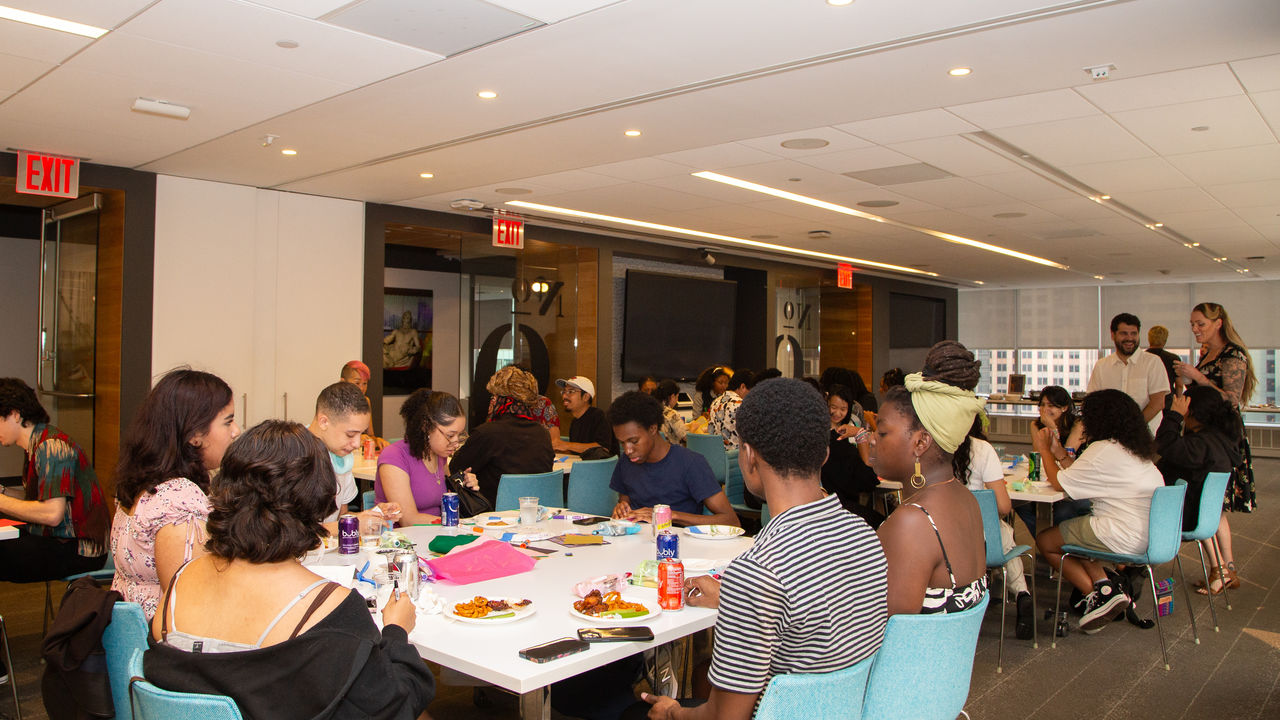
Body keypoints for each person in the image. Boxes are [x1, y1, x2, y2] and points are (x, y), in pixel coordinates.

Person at [144, 421, 434, 720]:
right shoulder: (328, 606)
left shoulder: (180, 579)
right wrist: (396, 632)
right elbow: (393, 705)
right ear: (317, 501)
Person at [639, 378, 887, 720]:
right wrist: (734, 598)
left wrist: (672, 713)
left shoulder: (758, 570)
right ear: (825, 453)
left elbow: (725, 717)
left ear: (750, 456)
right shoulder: (865, 535)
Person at [871, 341, 988, 616]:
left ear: (921, 442)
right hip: (948, 659)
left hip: (907, 659)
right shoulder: (966, 499)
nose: (872, 440)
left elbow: (883, 634)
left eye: (882, 432)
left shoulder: (912, 523)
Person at [111, 369, 236, 620]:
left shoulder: (141, 483)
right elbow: (190, 603)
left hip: (132, 640)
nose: (236, 431)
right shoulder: (180, 500)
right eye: (228, 421)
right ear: (194, 435)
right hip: (162, 644)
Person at [1034, 390, 1163, 633]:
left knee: (1047, 540)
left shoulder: (1103, 449)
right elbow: (1079, 475)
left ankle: (1100, 594)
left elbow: (1061, 482)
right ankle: (1103, 585)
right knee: (1074, 528)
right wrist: (1059, 452)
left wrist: (1043, 450)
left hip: (1122, 534)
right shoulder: (1135, 450)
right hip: (1151, 534)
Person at [1174, 301, 1258, 594]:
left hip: (1218, 439)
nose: (1195, 329)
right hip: (1205, 435)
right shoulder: (1210, 352)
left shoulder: (1233, 355)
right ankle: (1223, 569)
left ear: (1218, 323)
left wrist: (1197, 378)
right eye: (1193, 325)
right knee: (1213, 505)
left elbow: (1231, 399)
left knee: (1206, 503)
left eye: (1201, 324)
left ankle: (1222, 569)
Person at [0, 378, 110, 583]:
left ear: (14, 415)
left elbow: (51, 514)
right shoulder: (36, 443)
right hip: (58, 538)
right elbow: (40, 499)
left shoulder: (51, 447)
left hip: (79, 549)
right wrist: (3, 493)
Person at [607, 391, 738, 528]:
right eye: (622, 443)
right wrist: (622, 508)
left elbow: (731, 521)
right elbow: (625, 500)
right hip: (636, 540)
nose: (627, 450)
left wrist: (670, 515)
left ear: (653, 429)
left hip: (678, 543)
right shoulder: (626, 461)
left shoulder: (690, 463)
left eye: (633, 441)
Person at [957, 415, 1033, 639]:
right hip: (985, 544)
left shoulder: (928, 445)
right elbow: (1003, 506)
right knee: (1003, 533)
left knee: (1004, 533)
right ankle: (1021, 593)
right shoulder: (982, 449)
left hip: (942, 540)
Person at [308, 382, 401, 533]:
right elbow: (292, 534)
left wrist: (372, 515)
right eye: (350, 434)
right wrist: (355, 523)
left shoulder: (340, 458)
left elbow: (340, 517)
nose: (357, 444)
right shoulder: (293, 456)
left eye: (361, 434)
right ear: (324, 421)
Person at [450, 369, 554, 506]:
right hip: (537, 512)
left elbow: (455, 468)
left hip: (494, 514)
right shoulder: (543, 433)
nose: (490, 403)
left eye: (493, 397)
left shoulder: (488, 433)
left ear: (501, 401)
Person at [377, 389, 478, 524]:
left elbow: (447, 502)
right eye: (450, 435)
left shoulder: (440, 456)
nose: (455, 443)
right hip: (404, 539)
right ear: (426, 426)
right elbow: (408, 520)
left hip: (437, 534)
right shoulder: (394, 457)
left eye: (459, 435)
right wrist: (458, 523)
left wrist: (462, 486)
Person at [1154, 386, 1241, 533]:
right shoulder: (1220, 440)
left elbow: (1165, 444)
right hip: (1205, 515)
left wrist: (1174, 415)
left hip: (1183, 516)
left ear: (1192, 411)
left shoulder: (1201, 445)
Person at [1017, 385, 1091, 536]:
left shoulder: (1077, 423)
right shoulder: (1036, 424)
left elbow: (1065, 454)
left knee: (1062, 511)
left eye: (1051, 406)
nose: (1045, 410)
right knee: (1021, 505)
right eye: (1042, 405)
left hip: (1076, 481)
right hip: (1049, 478)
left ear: (1064, 408)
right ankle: (1043, 540)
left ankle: (1057, 543)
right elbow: (1039, 454)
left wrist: (1052, 429)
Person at [1087, 312, 1169, 434]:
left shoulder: (1153, 362)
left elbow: (1158, 402)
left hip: (1148, 436)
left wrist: (1132, 429)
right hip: (1111, 437)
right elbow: (1094, 403)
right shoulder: (1101, 366)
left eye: (1134, 334)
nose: (1130, 338)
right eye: (1124, 333)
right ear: (1113, 335)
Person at [820, 384, 882, 528]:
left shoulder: (823, 436)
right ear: (826, 405)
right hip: (840, 510)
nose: (837, 413)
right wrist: (859, 434)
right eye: (833, 407)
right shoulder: (839, 443)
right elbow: (869, 480)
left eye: (843, 409)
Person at [553, 376, 616, 456]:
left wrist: (566, 445)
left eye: (571, 391)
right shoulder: (575, 422)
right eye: (564, 392)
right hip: (585, 466)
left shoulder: (599, 416)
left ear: (586, 397)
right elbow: (578, 452)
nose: (564, 396)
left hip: (603, 467)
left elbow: (603, 448)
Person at [340, 360, 386, 450]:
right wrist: (355, 438)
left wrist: (376, 440)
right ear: (343, 382)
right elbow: (334, 436)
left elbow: (370, 435)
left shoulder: (366, 402)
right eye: (357, 383)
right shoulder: (336, 402)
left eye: (365, 383)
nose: (361, 388)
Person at [706, 370, 753, 449]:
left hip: (715, 455)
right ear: (743, 387)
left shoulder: (715, 402)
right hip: (735, 457)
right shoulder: (741, 404)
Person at [1145, 326, 1182, 409]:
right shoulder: (1173, 359)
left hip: (1147, 401)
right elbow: (1179, 384)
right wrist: (1178, 402)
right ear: (1165, 340)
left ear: (1149, 338)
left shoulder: (1142, 358)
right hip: (1168, 401)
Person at [653, 379, 687, 446]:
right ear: (672, 396)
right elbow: (685, 437)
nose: (677, 401)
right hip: (671, 451)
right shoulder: (671, 414)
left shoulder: (651, 409)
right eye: (677, 397)